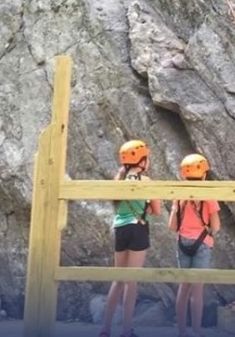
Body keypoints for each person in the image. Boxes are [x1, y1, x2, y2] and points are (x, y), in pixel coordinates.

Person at [99, 140, 162, 337]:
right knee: (131, 280)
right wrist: (146, 208)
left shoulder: (119, 180)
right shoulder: (147, 182)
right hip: (138, 228)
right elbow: (157, 210)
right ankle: (126, 330)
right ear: (142, 161)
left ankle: (105, 329)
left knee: (118, 278)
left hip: (120, 228)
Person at [168, 154, 221, 337]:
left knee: (184, 287)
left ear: (184, 174)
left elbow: (172, 226)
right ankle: (196, 331)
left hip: (183, 242)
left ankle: (182, 331)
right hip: (202, 243)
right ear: (204, 174)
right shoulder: (209, 196)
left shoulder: (180, 196)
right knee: (197, 289)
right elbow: (216, 226)